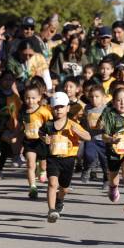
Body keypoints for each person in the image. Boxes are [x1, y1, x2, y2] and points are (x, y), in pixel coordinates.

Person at [40, 91, 90, 223]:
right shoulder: (48, 125)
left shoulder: (72, 124)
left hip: (68, 160)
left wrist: (77, 131)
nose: (59, 110)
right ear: (51, 108)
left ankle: (60, 200)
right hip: (53, 159)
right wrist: (44, 139)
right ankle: (51, 210)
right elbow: (41, 134)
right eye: (56, 107)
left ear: (68, 108)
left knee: (64, 188)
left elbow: (88, 137)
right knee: (52, 183)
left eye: (61, 107)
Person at [100, 85, 124, 215]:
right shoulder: (110, 116)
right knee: (113, 176)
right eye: (118, 100)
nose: (122, 103)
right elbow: (104, 136)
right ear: (113, 102)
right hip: (113, 151)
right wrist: (112, 140)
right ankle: (113, 187)